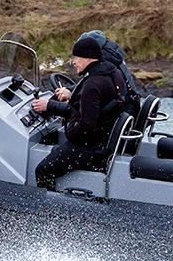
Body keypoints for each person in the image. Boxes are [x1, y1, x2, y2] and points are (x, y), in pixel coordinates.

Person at [32, 36, 126, 190]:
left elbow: (87, 126)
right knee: (58, 151)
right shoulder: (113, 73)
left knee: (43, 170)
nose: (74, 62)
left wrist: (69, 133)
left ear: (88, 58)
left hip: (90, 148)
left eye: (76, 57)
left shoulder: (92, 85)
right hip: (104, 140)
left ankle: (47, 212)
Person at [76, 30, 141, 117]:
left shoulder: (103, 63)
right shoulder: (113, 56)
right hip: (129, 107)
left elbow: (94, 87)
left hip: (120, 113)